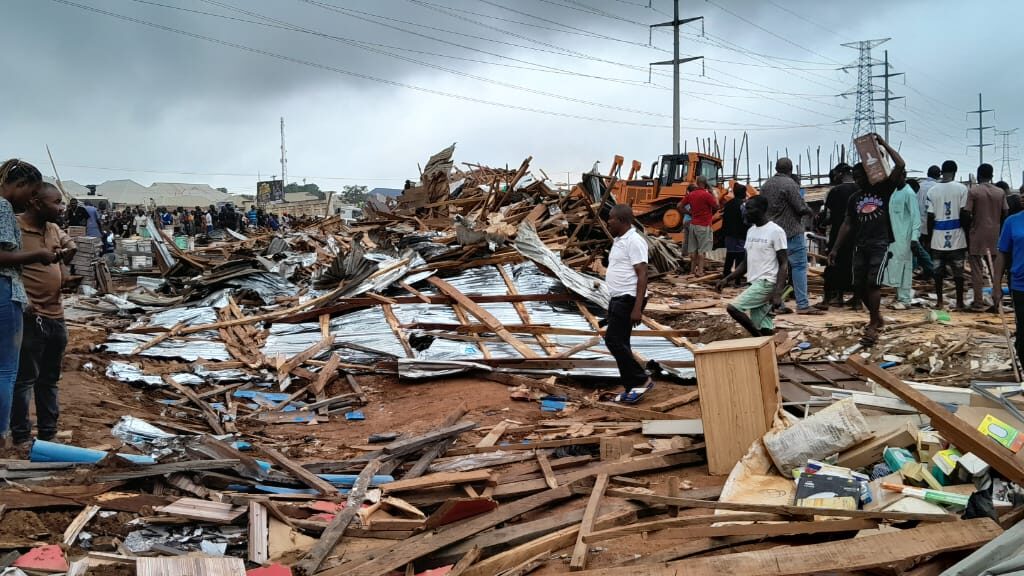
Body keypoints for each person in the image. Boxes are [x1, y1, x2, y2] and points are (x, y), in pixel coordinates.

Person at [0, 160, 59, 447]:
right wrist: (38, 256)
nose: (29, 200)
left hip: (25, 302)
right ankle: (8, 435)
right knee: (9, 371)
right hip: (6, 296)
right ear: (21, 187)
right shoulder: (2, 208)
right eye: (30, 193)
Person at [829, 133, 907, 346]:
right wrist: (835, 248)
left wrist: (882, 144)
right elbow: (847, 224)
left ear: (868, 174)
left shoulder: (883, 190)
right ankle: (876, 317)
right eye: (854, 177)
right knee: (858, 285)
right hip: (860, 244)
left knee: (873, 283)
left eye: (859, 176)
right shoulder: (854, 198)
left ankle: (874, 321)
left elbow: (900, 164)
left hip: (880, 243)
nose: (857, 180)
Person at [13, 184, 75, 447]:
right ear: (36, 203)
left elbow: (67, 248)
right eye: (57, 202)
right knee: (25, 378)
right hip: (30, 316)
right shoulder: (14, 228)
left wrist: (66, 270)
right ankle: (21, 436)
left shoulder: (52, 228)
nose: (61, 208)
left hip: (56, 313)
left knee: (49, 379)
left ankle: (48, 433)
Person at [715, 195, 789, 337]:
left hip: (767, 282)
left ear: (761, 209)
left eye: (749, 208)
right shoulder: (751, 231)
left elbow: (784, 263)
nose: (745, 212)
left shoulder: (776, 231)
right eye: (745, 208)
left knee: (733, 308)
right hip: (754, 282)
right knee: (762, 325)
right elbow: (745, 264)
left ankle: (758, 341)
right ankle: (770, 348)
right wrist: (726, 279)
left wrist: (778, 293)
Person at [759, 157, 821, 314]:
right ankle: (802, 304)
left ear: (775, 168)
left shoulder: (766, 185)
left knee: (776, 269)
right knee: (799, 266)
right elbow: (800, 208)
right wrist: (810, 211)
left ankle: (775, 304)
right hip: (791, 231)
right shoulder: (790, 184)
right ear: (791, 169)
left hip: (771, 232)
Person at [603, 204, 652, 401]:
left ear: (622, 221)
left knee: (613, 340)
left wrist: (637, 308)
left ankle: (640, 380)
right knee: (622, 342)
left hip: (629, 298)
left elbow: (642, 274)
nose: (608, 222)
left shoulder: (634, 241)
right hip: (618, 297)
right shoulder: (619, 240)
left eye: (611, 219)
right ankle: (632, 386)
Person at [965, 164, 1009, 311]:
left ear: (978, 175)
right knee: (995, 272)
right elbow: (1005, 213)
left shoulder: (974, 191)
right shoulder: (1000, 192)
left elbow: (967, 213)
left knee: (977, 270)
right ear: (992, 175)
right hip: (995, 235)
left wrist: (969, 228)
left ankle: (978, 302)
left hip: (977, 234)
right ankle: (998, 303)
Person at [926, 160, 969, 310]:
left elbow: (930, 216)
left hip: (938, 236)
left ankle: (939, 301)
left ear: (941, 172)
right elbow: (964, 214)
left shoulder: (932, 191)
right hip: (957, 235)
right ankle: (959, 302)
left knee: (937, 272)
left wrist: (930, 237)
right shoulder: (962, 189)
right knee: (958, 273)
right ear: (955, 172)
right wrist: (967, 235)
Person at [817, 163, 859, 309]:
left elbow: (828, 215)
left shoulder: (835, 191)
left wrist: (821, 222)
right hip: (857, 234)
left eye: (835, 174)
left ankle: (830, 298)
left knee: (833, 265)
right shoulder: (860, 189)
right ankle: (857, 300)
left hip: (838, 233)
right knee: (854, 266)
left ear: (840, 174)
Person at [883, 178, 921, 309]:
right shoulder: (894, 192)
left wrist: (914, 238)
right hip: (893, 237)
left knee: (905, 267)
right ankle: (898, 296)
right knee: (895, 266)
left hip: (905, 237)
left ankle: (905, 300)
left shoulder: (909, 194)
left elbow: (916, 217)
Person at [995, 208, 1024, 368]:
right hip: (1020, 285)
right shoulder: (1012, 222)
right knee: (1023, 331)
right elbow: (1002, 254)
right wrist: (996, 285)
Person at [682, 175, 717, 277]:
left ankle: (692, 271)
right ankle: (700, 271)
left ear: (697, 182)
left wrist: (689, 213)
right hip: (704, 225)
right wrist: (712, 193)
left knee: (693, 250)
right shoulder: (707, 195)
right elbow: (717, 206)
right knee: (702, 250)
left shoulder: (691, 194)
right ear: (705, 183)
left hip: (693, 224)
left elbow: (679, 206)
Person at [721, 182, 750, 285]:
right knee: (740, 256)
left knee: (730, 255)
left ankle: (725, 276)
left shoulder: (728, 204)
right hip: (740, 234)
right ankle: (737, 279)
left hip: (729, 233)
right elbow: (745, 220)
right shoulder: (743, 205)